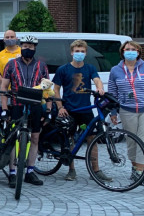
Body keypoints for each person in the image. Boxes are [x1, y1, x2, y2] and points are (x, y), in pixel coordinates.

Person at [52, 40, 108, 182]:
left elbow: (97, 80)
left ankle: (96, 170)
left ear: (86, 53)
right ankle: (71, 170)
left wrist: (100, 88)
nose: (79, 54)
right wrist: (60, 107)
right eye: (77, 51)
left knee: (92, 139)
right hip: (69, 109)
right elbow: (56, 89)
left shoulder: (90, 68)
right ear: (72, 52)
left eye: (82, 51)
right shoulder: (63, 69)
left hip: (85, 110)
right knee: (69, 140)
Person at [0, 35, 48, 187]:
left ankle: (30, 171)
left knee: (35, 138)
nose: (28, 49)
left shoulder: (41, 65)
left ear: (35, 48)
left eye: (31, 47)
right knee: (14, 138)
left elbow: (47, 88)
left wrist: (49, 110)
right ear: (21, 47)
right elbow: (3, 87)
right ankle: (13, 172)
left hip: (35, 105)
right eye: (25, 46)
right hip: (17, 105)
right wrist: (4, 108)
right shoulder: (11, 64)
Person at [109, 40, 144, 182]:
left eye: (133, 49)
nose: (130, 51)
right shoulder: (115, 70)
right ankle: (135, 168)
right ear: (122, 52)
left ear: (138, 52)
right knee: (131, 142)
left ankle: (140, 172)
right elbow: (112, 93)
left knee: (142, 140)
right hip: (126, 110)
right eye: (127, 49)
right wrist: (113, 112)